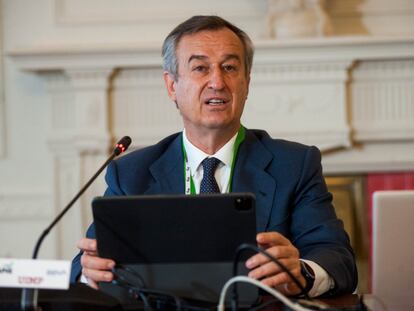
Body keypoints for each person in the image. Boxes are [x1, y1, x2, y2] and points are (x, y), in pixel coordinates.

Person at [70, 15, 357, 298]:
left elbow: (337, 258)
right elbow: (81, 268)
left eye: (230, 67)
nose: (217, 82)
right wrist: (89, 271)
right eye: (200, 68)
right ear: (172, 86)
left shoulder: (294, 164)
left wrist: (302, 274)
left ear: (246, 82)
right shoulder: (132, 173)